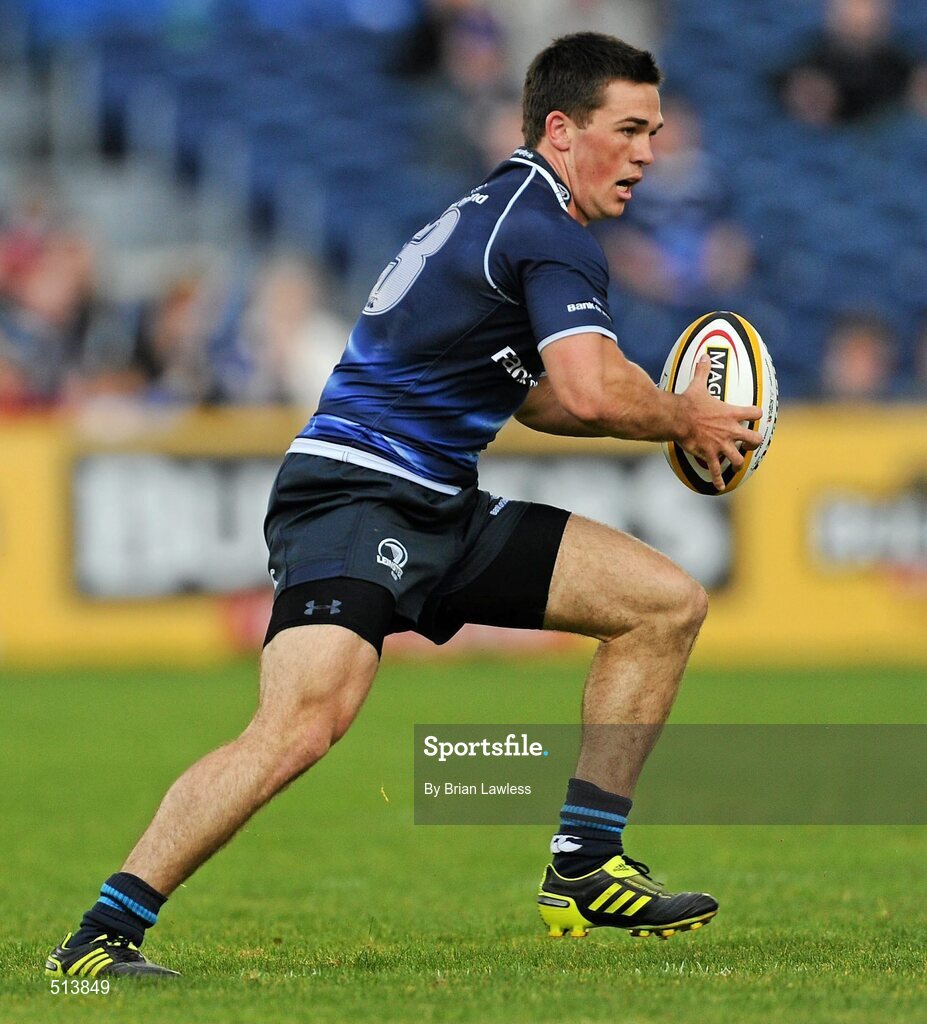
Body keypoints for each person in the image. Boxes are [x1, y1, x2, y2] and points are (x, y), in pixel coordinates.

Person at [46, 32, 761, 977]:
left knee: (663, 605)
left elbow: (543, 398)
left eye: (653, 133)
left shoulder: (504, 215)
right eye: (627, 131)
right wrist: (685, 417)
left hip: (435, 503)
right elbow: (588, 393)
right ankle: (99, 938)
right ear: (560, 129)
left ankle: (585, 866)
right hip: (355, 495)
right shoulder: (544, 230)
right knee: (300, 728)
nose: (646, 155)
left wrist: (665, 414)